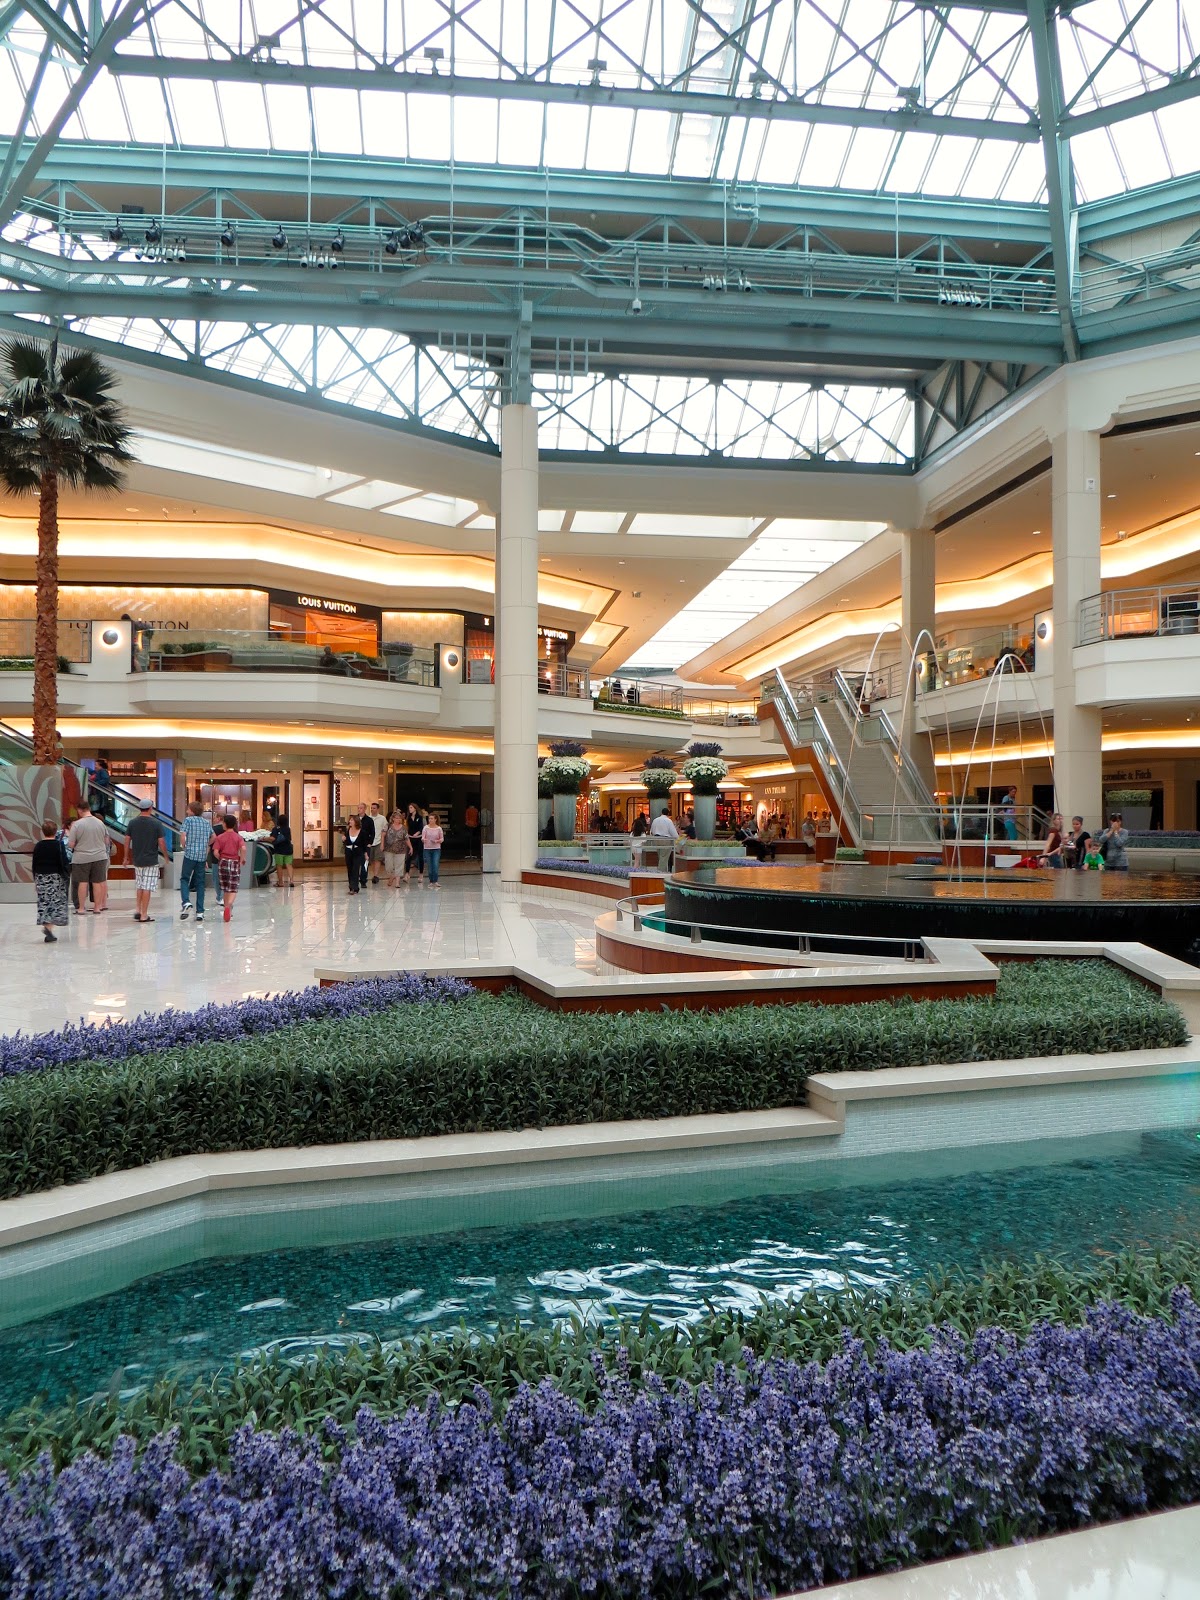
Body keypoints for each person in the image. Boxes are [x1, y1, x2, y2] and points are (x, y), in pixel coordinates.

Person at [126, 796, 170, 922]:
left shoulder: (132, 822)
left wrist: (125, 857)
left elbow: (127, 839)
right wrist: (166, 856)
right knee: (147, 887)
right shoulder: (156, 823)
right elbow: (161, 842)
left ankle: (138, 909)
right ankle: (144, 914)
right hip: (151, 860)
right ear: (150, 808)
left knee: (140, 885)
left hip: (137, 859)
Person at [66, 797, 110, 915]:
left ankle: (81, 908)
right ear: (89, 809)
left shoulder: (77, 825)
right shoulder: (100, 823)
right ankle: (97, 907)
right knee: (97, 882)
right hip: (100, 857)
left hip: (81, 858)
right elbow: (107, 841)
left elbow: (71, 844)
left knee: (82, 882)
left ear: (79, 811)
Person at [32, 819, 70, 943]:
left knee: (44, 901)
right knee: (55, 901)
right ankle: (49, 928)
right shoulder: (59, 845)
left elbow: (34, 863)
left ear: (43, 832)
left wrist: (35, 880)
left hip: (41, 876)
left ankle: (47, 925)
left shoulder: (38, 845)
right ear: (55, 832)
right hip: (56, 877)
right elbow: (63, 861)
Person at [179, 799, 213, 921]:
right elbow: (213, 836)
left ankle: (186, 902)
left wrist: (184, 845)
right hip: (202, 857)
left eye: (188, 809)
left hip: (190, 855)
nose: (187, 811)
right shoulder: (206, 822)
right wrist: (206, 844)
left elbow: (183, 835)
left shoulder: (188, 820)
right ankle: (200, 912)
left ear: (192, 811)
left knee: (184, 878)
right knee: (200, 883)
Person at [211, 813, 246, 921]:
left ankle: (227, 908)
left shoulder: (220, 837)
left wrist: (220, 858)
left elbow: (215, 852)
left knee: (225, 887)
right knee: (233, 887)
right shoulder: (238, 837)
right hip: (234, 861)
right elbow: (243, 849)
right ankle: (228, 905)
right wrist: (242, 859)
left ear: (225, 824)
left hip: (223, 862)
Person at [341, 810, 370, 895]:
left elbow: (364, 844)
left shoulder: (362, 832)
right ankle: (351, 887)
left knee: (355, 869)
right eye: (350, 820)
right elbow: (346, 842)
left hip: (358, 852)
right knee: (350, 869)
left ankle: (355, 887)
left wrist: (365, 854)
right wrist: (344, 839)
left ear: (356, 822)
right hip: (349, 852)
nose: (350, 821)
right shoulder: (347, 830)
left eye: (352, 820)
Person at [383, 810, 411, 887]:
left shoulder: (404, 828)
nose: (398, 819)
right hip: (389, 849)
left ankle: (397, 882)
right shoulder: (388, 826)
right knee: (389, 866)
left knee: (399, 865)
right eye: (396, 818)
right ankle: (392, 876)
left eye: (400, 818)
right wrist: (382, 845)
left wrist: (410, 847)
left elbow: (407, 838)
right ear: (393, 819)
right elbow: (383, 835)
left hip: (401, 849)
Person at [270, 811, 295, 887]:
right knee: (289, 865)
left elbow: (272, 838)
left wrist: (263, 838)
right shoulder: (288, 829)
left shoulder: (276, 829)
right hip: (288, 849)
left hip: (279, 849)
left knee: (279, 865)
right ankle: (291, 880)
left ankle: (280, 882)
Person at [422, 810, 445, 887]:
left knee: (435, 864)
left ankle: (435, 881)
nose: (430, 820)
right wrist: (424, 840)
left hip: (436, 848)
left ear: (435, 819)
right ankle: (431, 881)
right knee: (429, 865)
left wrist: (437, 841)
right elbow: (423, 837)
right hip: (427, 849)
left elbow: (442, 839)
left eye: (432, 818)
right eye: (429, 818)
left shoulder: (439, 828)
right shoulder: (425, 828)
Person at [209, 814, 226, 905]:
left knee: (216, 878)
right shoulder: (228, 830)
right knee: (225, 877)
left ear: (219, 818)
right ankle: (223, 896)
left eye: (215, 817)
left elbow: (209, 843)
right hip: (227, 856)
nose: (214, 819)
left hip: (215, 857)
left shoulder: (213, 829)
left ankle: (219, 896)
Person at [368, 800, 387, 884]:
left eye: (374, 808)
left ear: (378, 809)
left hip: (379, 841)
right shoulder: (368, 818)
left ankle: (376, 875)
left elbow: (385, 829)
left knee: (378, 859)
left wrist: (383, 842)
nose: (372, 809)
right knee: (371, 859)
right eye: (371, 808)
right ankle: (374, 873)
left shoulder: (382, 818)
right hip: (370, 842)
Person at [406, 802, 424, 880]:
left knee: (420, 856)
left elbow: (421, 827)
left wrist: (417, 833)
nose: (410, 809)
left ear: (415, 808)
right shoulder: (408, 818)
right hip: (411, 838)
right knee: (409, 856)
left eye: (411, 808)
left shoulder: (419, 817)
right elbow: (408, 828)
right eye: (409, 808)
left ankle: (421, 874)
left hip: (418, 838)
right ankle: (407, 873)